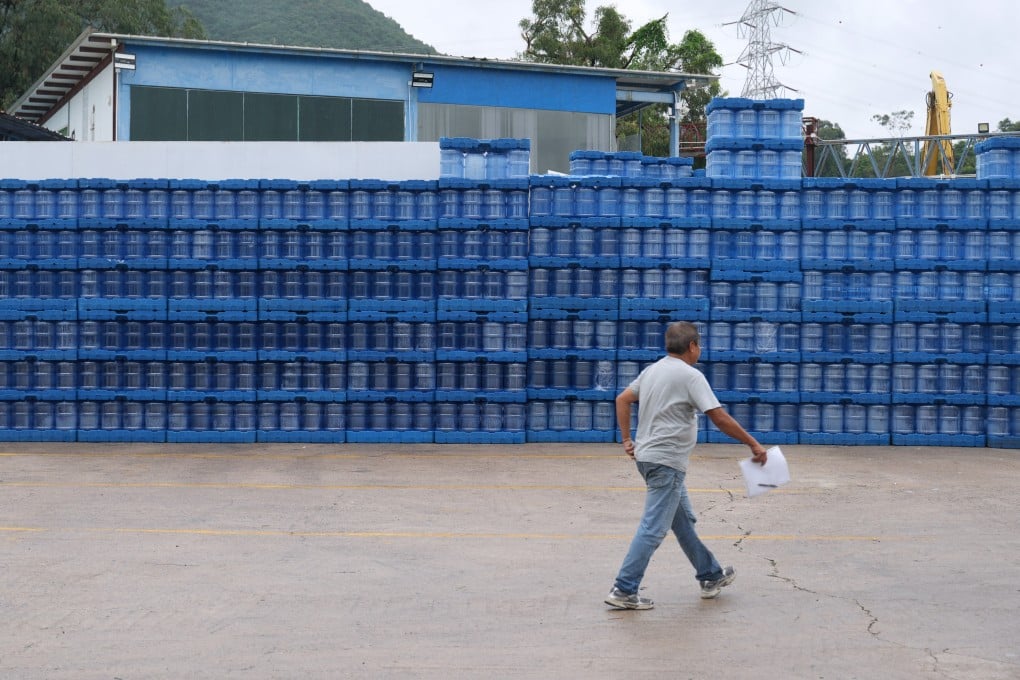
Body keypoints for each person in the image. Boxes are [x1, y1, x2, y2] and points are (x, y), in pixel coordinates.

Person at [605, 321, 767, 610]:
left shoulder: (653, 370)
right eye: (699, 345)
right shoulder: (690, 376)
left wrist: (627, 439)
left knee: (682, 523)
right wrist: (752, 443)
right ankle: (624, 588)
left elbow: (623, 399)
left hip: (650, 458)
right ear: (692, 346)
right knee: (653, 528)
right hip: (666, 463)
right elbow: (719, 418)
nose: (699, 350)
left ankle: (710, 575)